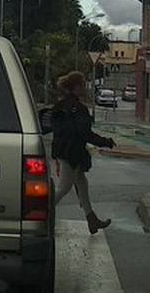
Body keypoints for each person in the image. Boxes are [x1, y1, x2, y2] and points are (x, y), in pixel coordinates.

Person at [49, 70, 116, 234]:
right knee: (64, 188)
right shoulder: (78, 109)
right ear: (76, 87)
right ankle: (42, 214)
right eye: (83, 85)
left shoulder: (60, 106)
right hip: (71, 153)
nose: (86, 88)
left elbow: (58, 130)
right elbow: (85, 133)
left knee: (82, 184)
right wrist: (105, 142)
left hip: (65, 151)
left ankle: (91, 219)